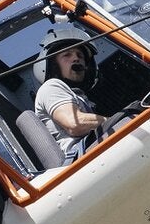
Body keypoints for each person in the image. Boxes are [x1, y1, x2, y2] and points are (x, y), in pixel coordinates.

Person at [33, 27, 106, 164]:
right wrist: (110, 121)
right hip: (83, 155)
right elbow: (75, 123)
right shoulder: (52, 86)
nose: (76, 59)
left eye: (80, 55)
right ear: (54, 65)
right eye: (67, 55)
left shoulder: (79, 97)